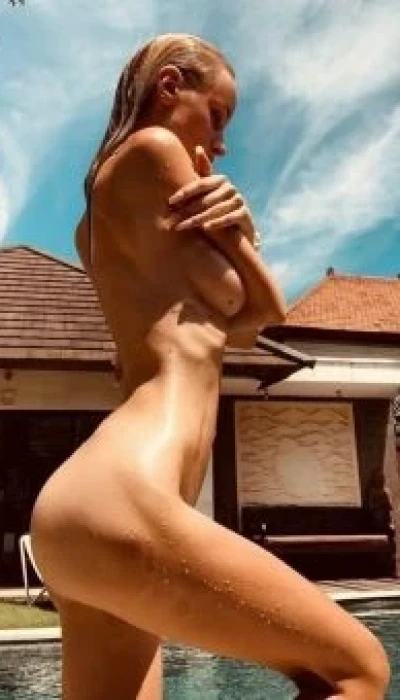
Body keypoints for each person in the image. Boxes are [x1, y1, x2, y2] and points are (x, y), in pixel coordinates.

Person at [31, 33, 390, 700]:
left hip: (80, 512)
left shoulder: (99, 222)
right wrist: (242, 232)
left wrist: (232, 236)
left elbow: (233, 324)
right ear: (170, 86)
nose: (221, 143)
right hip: (124, 496)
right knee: (358, 671)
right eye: (218, 115)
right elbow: (265, 308)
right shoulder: (156, 148)